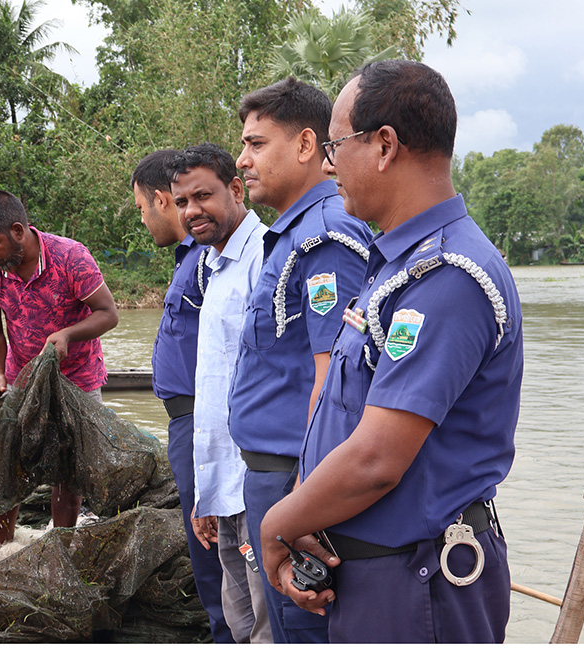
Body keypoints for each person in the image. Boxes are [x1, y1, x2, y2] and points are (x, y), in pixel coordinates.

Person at [260, 59, 523, 643]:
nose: (328, 166)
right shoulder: (396, 266)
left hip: (418, 581)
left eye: (335, 146)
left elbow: (378, 459)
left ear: (383, 146)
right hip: (374, 574)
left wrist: (277, 523)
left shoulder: (449, 276)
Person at [228, 76, 372, 643]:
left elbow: (332, 382)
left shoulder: (325, 238)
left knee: (301, 629)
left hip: (295, 481)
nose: (243, 160)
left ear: (307, 145)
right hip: (273, 476)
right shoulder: (290, 235)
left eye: (257, 144)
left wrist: (306, 503)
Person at [0, 189, 119, 548]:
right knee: (9, 462)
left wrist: (67, 334)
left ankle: (60, 547)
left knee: (68, 471)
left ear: (18, 231)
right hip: (21, 376)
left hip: (78, 378)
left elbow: (108, 314)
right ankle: (4, 549)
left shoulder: (70, 257)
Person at [170, 143, 271, 643]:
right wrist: (206, 495)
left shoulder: (265, 257)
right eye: (181, 202)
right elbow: (214, 387)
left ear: (235, 189)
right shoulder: (214, 264)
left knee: (269, 625)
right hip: (224, 489)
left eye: (202, 196)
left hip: (258, 487)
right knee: (239, 621)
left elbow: (276, 382)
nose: (191, 212)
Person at [131, 150, 232, 643]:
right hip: (187, 424)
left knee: (212, 549)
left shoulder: (208, 262)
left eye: (142, 209)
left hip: (203, 423)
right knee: (206, 544)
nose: (145, 220)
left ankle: (224, 634)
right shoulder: (190, 260)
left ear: (158, 200)